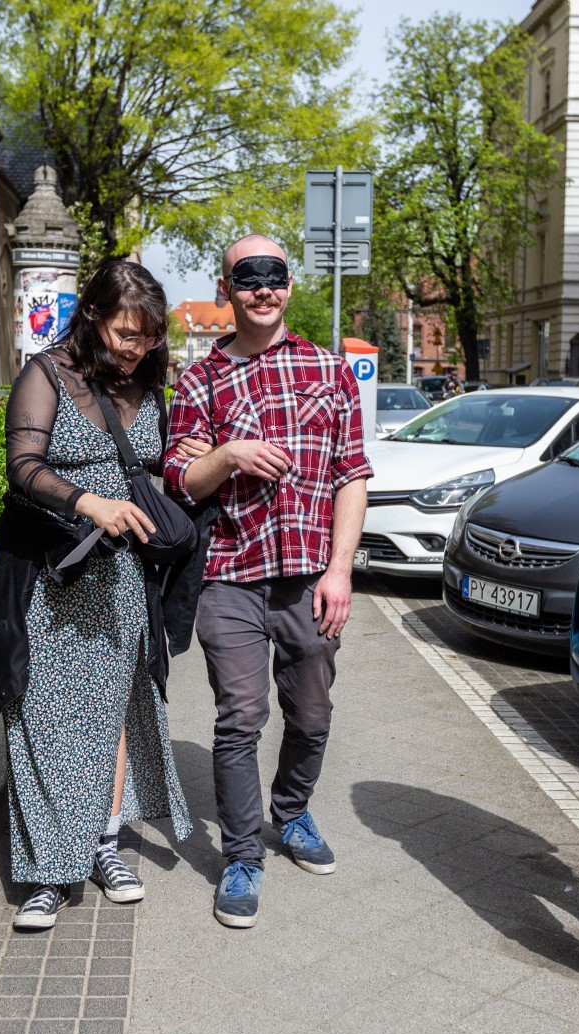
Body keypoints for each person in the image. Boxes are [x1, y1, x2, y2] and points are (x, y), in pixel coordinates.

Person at [163, 234, 373, 929]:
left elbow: (351, 475)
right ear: (225, 288)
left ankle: (292, 810)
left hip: (310, 577)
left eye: (274, 275)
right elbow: (181, 479)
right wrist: (228, 453)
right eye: (247, 277)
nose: (263, 289)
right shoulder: (200, 381)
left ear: (289, 283)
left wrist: (340, 571)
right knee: (240, 718)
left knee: (311, 714)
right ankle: (241, 856)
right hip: (228, 576)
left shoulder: (329, 370)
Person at [0, 259, 202, 930]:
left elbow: (163, 465)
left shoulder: (149, 382)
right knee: (43, 717)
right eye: (124, 333)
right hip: (56, 574)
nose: (136, 347)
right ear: (92, 316)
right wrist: (88, 501)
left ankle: (104, 845)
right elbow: (22, 467)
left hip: (123, 581)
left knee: (111, 714)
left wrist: (196, 455)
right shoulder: (47, 374)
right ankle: (49, 871)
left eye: (148, 336)